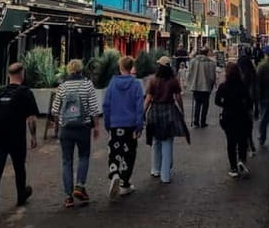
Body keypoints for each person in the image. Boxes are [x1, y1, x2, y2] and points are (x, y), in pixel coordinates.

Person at [0, 62, 37, 224]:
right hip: (17, 137)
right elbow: (31, 118)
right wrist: (34, 136)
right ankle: (21, 195)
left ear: (9, 75)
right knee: (19, 167)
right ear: (22, 74)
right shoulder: (25, 92)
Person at [51, 59, 101, 208]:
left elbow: (55, 110)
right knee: (84, 156)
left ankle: (68, 197)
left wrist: (56, 125)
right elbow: (93, 108)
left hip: (66, 128)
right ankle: (79, 185)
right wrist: (96, 126)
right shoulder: (87, 84)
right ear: (81, 70)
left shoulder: (62, 86)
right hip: (83, 127)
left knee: (67, 161)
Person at [103, 55, 145, 199]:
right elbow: (140, 107)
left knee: (114, 151)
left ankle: (114, 172)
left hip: (115, 124)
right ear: (131, 67)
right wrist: (139, 126)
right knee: (129, 153)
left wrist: (107, 124)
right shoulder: (136, 85)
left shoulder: (112, 84)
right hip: (130, 125)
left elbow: (106, 105)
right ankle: (125, 182)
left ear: (120, 68)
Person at [145, 56, 190, 183]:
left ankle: (155, 169)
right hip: (169, 111)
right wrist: (181, 110)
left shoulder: (153, 80)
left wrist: (142, 112)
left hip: (155, 112)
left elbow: (148, 99)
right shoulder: (173, 80)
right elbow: (178, 97)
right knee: (167, 143)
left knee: (156, 141)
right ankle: (165, 175)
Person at [215, 62, 253, 178]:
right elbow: (249, 101)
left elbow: (217, 101)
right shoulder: (243, 85)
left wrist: (225, 104)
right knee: (242, 140)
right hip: (242, 116)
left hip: (228, 116)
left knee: (231, 142)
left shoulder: (223, 86)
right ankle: (241, 159)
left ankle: (233, 168)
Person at [186, 47, 216, 128]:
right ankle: (203, 121)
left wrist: (190, 83)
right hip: (206, 87)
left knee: (197, 104)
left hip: (196, 86)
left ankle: (196, 121)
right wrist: (212, 84)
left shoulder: (193, 62)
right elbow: (212, 76)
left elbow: (189, 73)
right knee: (205, 105)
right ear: (207, 53)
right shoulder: (211, 63)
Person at [237, 53, 258, 156]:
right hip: (249, 105)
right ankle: (250, 144)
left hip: (239, 106)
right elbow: (255, 92)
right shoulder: (253, 74)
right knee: (248, 126)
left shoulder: (238, 76)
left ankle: (242, 147)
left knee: (238, 127)